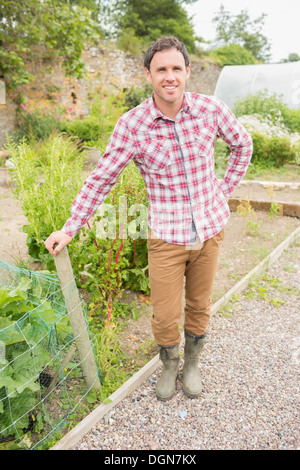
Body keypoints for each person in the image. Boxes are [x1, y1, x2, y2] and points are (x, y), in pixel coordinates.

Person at [45, 36, 253, 401]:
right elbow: (102, 177)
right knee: (163, 314)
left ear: (188, 72)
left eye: (176, 68)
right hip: (166, 237)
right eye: (161, 69)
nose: (169, 76)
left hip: (210, 231)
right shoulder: (133, 125)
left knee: (199, 305)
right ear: (148, 75)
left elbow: (242, 144)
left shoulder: (211, 110)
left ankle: (191, 364)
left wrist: (224, 189)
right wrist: (70, 226)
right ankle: (169, 363)